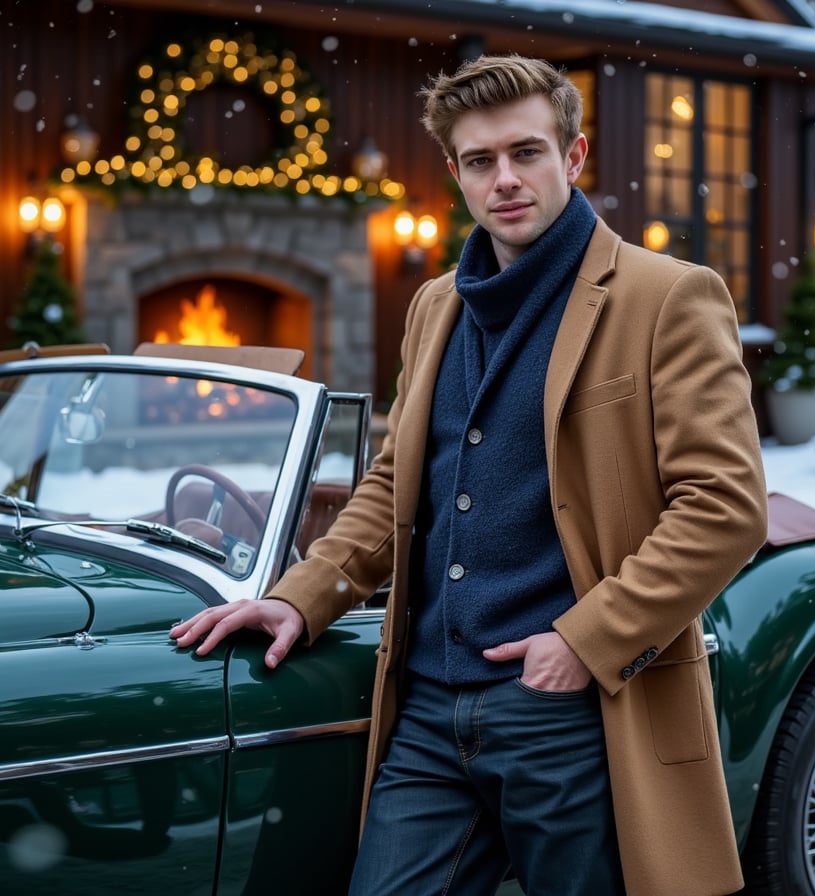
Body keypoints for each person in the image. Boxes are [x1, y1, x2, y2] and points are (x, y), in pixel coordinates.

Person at [171, 53, 768, 896]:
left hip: (572, 710)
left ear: (575, 155)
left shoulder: (667, 296)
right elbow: (394, 484)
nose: (507, 180)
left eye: (527, 152)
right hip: (424, 709)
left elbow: (726, 507)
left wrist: (583, 641)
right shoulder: (435, 304)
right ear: (455, 173)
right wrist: (304, 593)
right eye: (481, 162)